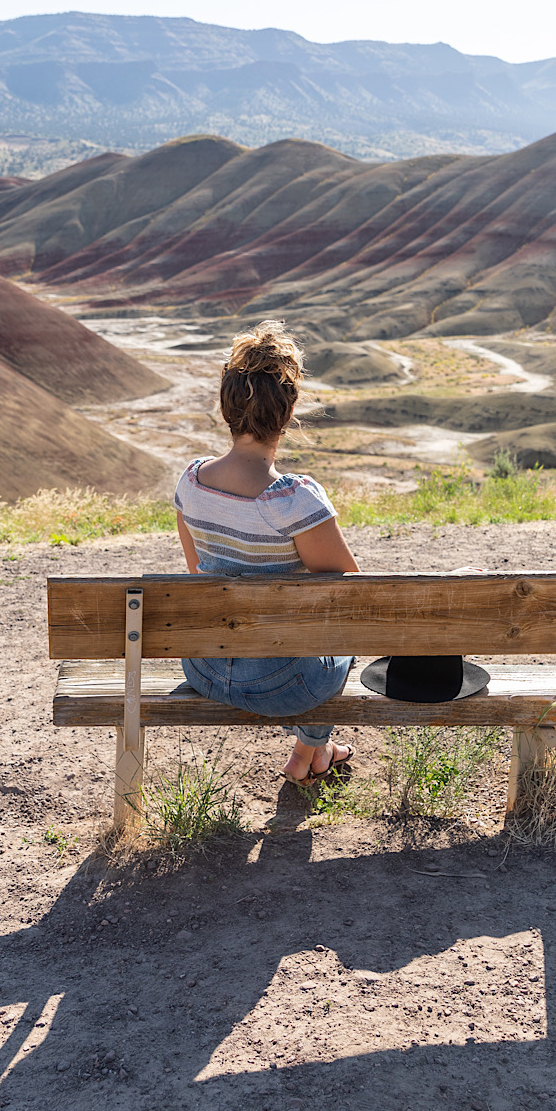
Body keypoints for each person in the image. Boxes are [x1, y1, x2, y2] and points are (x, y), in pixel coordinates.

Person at [174, 320, 360, 788]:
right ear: (290, 408)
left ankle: (316, 753)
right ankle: (309, 749)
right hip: (281, 684)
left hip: (205, 669)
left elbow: (197, 570)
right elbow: (352, 597)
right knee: (342, 637)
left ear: (226, 407)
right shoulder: (295, 499)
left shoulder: (191, 484)